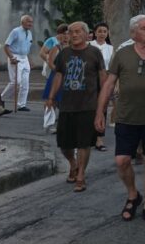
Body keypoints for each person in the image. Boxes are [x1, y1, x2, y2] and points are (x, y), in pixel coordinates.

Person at [95, 15, 145, 223]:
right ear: (133, 33)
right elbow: (109, 84)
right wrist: (100, 111)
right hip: (127, 115)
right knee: (122, 160)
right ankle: (133, 194)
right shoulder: (122, 54)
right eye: (144, 28)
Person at [46, 22, 107, 193]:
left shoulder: (95, 53)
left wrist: (104, 101)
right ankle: (72, 163)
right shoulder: (64, 53)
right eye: (71, 32)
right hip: (66, 105)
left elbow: (103, 76)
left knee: (83, 143)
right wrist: (51, 97)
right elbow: (58, 75)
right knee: (64, 144)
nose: (73, 35)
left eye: (78, 31)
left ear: (87, 34)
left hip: (88, 105)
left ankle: (81, 175)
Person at [39, 24, 69, 132]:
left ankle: (61, 123)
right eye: (64, 34)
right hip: (56, 75)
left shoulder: (71, 47)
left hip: (67, 76)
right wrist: (58, 71)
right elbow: (50, 62)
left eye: (67, 34)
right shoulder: (56, 46)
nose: (66, 36)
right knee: (52, 99)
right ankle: (48, 122)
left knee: (63, 100)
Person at [1, 14, 34, 111]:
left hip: (25, 58)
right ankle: (1, 98)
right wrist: (11, 57)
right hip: (15, 56)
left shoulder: (30, 33)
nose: (30, 24)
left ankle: (22, 104)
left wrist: (30, 60)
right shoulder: (15, 31)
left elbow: (28, 48)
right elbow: (6, 46)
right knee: (16, 81)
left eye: (31, 22)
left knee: (25, 83)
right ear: (22, 22)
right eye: (28, 21)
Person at [90, 23, 114, 151]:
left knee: (102, 107)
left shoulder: (110, 48)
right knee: (89, 107)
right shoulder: (89, 46)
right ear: (95, 32)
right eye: (100, 31)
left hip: (104, 81)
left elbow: (111, 66)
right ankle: (89, 136)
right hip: (90, 81)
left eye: (105, 31)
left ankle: (99, 138)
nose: (102, 33)